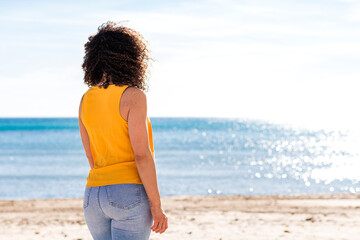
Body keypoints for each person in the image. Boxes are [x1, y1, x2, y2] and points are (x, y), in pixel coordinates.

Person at [78, 21, 168, 240]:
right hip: (128, 194)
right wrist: (156, 205)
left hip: (93, 194)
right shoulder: (133, 96)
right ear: (130, 57)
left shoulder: (86, 99)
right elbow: (141, 155)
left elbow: (91, 155)